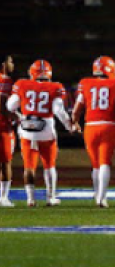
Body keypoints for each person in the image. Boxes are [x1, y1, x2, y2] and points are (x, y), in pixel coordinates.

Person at [6, 60, 78, 206]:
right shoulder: (55, 87)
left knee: (29, 166)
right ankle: (50, 198)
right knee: (49, 165)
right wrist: (69, 126)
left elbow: (10, 105)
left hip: (27, 129)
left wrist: (21, 117)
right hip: (46, 129)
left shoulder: (22, 84)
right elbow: (58, 110)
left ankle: (31, 199)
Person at [72, 56, 115, 208]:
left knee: (95, 165)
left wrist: (75, 123)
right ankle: (102, 198)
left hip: (90, 126)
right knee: (105, 163)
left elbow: (76, 110)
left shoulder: (85, 83)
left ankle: (97, 195)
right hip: (108, 126)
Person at [0, 54, 15, 207]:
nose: (13, 65)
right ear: (3, 64)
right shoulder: (7, 82)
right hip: (3, 127)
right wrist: (18, 117)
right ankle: (3, 197)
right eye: (11, 62)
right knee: (6, 162)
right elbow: (4, 106)